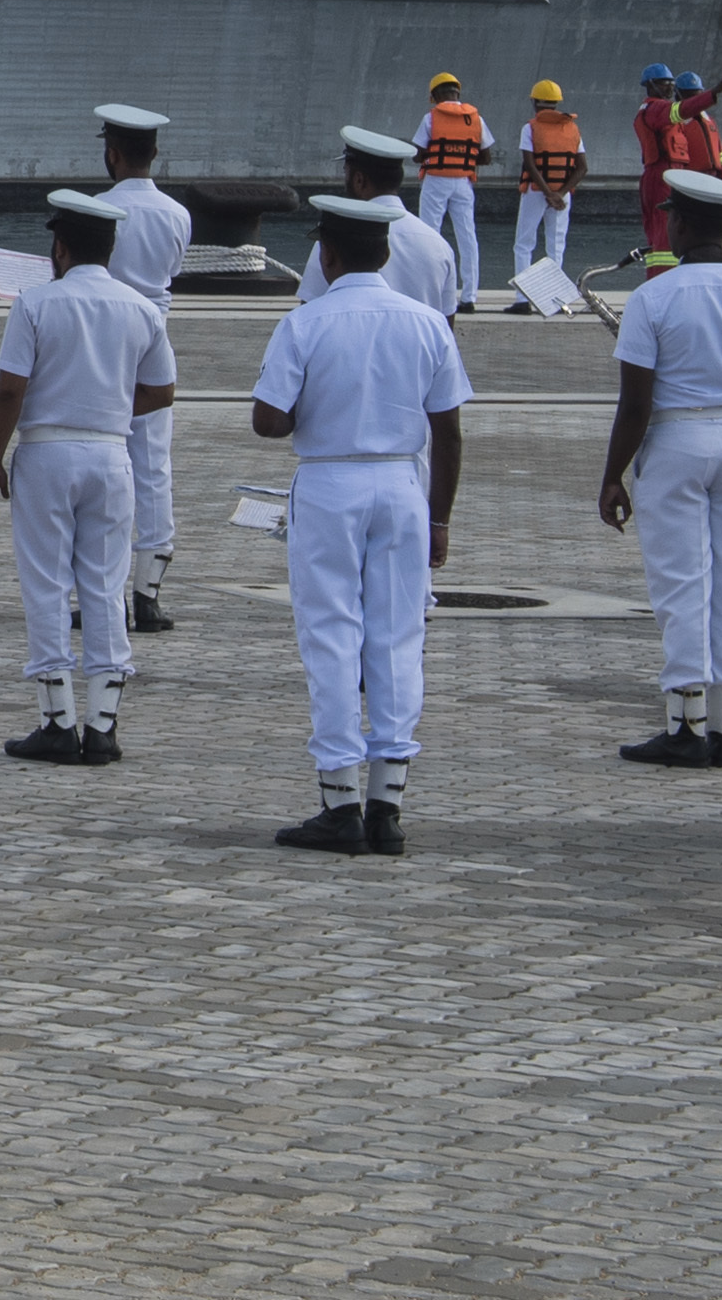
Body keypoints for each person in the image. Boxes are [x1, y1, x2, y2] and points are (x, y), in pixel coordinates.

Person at [253, 193, 469, 858]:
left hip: (329, 481)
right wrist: (440, 514)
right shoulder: (428, 322)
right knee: (399, 636)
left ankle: (339, 800)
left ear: (327, 253)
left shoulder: (306, 322)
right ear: (386, 253)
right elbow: (450, 427)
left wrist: (312, 406)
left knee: (332, 635)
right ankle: (389, 804)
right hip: (404, 483)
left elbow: (269, 419)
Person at [594, 172, 722, 766]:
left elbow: (636, 404)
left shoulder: (653, 298)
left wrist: (613, 475)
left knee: (682, 585)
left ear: (678, 225)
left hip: (676, 439)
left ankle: (684, 727)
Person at [0, 190, 177, 768]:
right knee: (104, 585)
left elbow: (11, 389)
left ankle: (57, 719)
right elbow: (162, 391)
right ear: (110, 251)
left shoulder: (37, 304)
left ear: (59, 248)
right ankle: (104, 724)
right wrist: (109, 407)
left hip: (46, 451)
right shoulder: (141, 307)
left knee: (45, 583)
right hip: (111, 454)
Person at [94, 104, 195, 632]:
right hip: (155, 339)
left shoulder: (97, 207)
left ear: (111, 153)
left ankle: (94, 591)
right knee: (153, 467)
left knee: (97, 460)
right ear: (154, 153)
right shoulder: (178, 214)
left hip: (101, 343)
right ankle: (148, 592)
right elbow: (172, 272)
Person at [296, 130, 462, 314]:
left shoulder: (334, 239)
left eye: (346, 172)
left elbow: (309, 312)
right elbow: (446, 327)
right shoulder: (439, 245)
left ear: (359, 180)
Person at [414, 75, 491, 312]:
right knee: (467, 237)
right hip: (463, 182)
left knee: (429, 235)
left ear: (435, 96)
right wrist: (462, 158)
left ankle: (431, 292)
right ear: (457, 93)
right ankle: (469, 297)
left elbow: (418, 154)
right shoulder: (476, 119)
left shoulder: (431, 118)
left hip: (436, 180)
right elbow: (486, 157)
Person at [506, 80, 584, 308]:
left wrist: (548, 192)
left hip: (536, 192)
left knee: (523, 244)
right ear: (558, 102)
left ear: (534, 102)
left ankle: (522, 300)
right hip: (563, 194)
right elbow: (582, 167)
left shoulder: (530, 127)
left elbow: (529, 164)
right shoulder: (572, 128)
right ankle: (555, 301)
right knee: (556, 245)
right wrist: (559, 193)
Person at [630, 66, 717, 260]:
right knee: (663, 230)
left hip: (675, 175)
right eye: (664, 83)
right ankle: (662, 273)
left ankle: (675, 267)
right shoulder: (656, 110)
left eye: (671, 83)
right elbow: (682, 109)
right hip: (662, 175)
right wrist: (715, 92)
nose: (669, 87)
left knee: (674, 228)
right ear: (651, 85)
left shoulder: (667, 112)